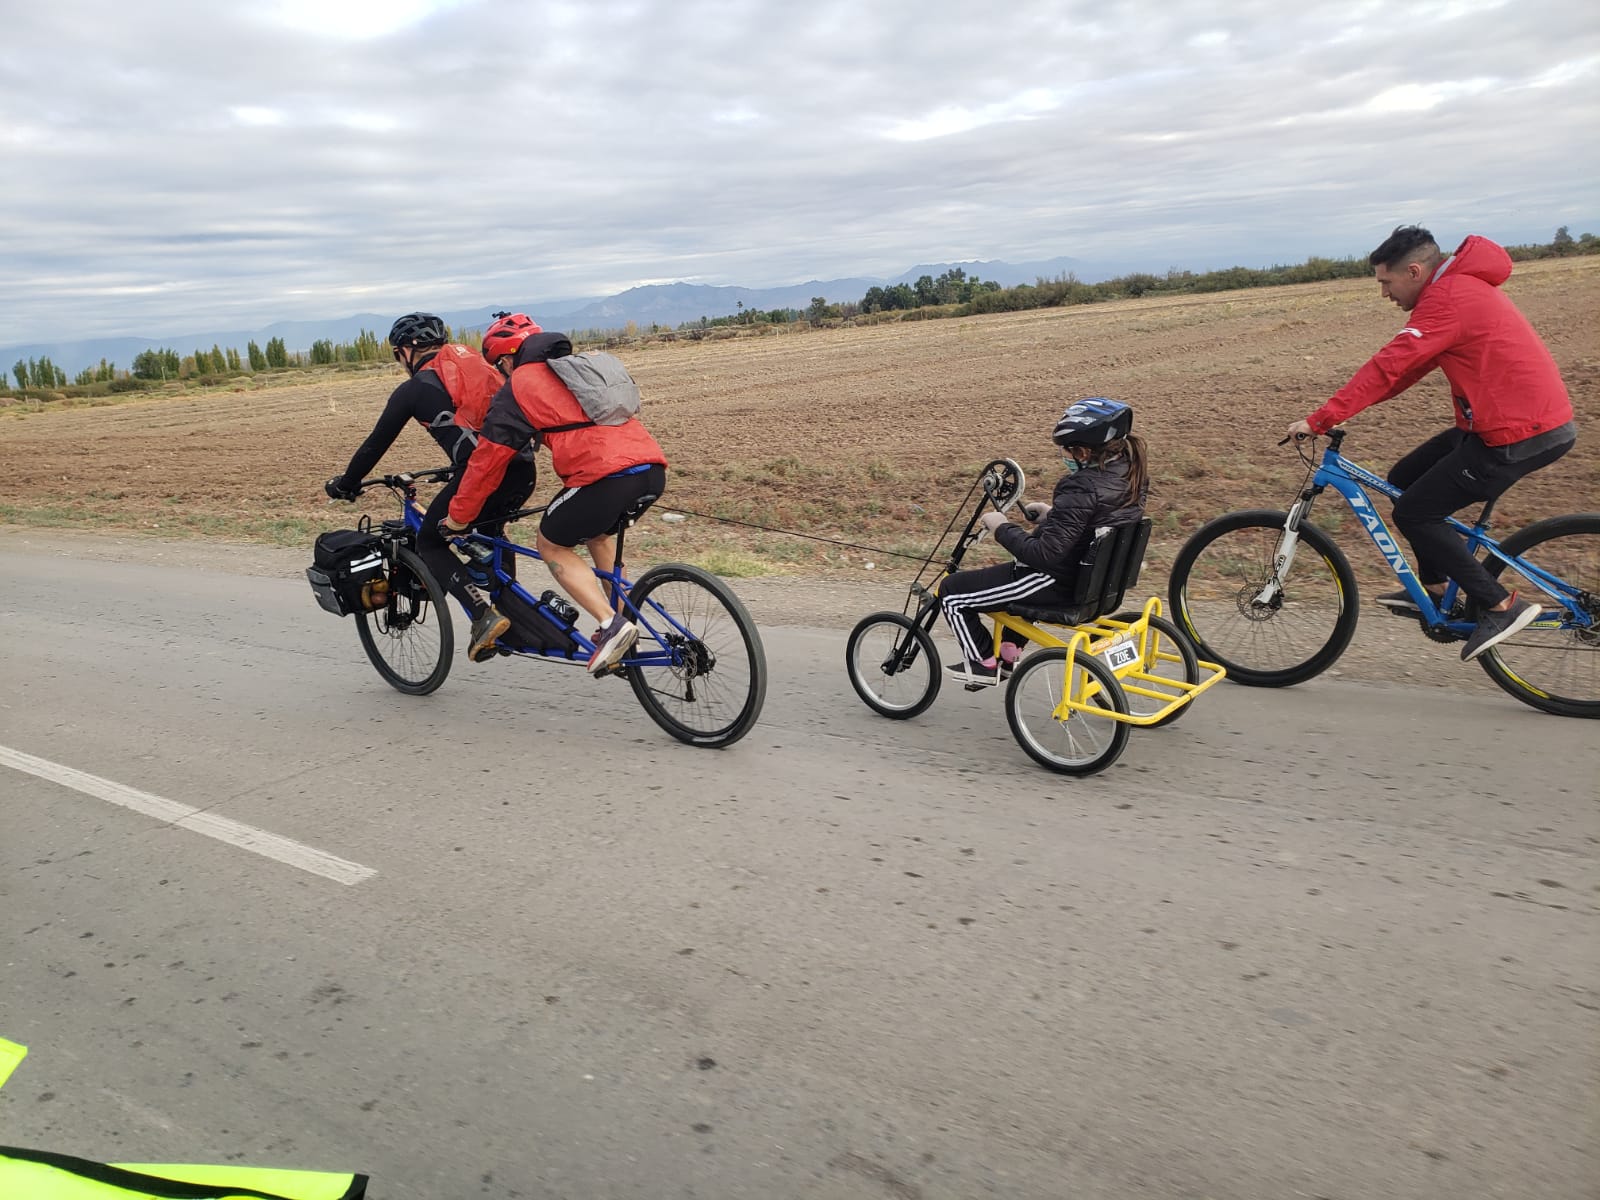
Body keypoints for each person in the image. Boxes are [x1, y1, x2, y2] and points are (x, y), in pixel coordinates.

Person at [1286, 226, 1577, 662]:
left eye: (1386, 282)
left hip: (1519, 434)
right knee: (1404, 478)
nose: (1385, 293)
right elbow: (1403, 373)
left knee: (1416, 511)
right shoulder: (1455, 291)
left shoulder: (1448, 300)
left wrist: (1320, 419)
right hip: (1509, 424)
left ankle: (1500, 605)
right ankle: (1438, 588)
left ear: (1416, 271)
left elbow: (1389, 366)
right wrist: (1337, 412)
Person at [440, 314, 668, 673]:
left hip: (603, 476)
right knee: (596, 532)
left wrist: (458, 518)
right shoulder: (579, 369)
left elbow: (486, 463)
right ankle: (623, 619)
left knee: (551, 543)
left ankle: (612, 625)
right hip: (651, 469)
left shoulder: (518, 385)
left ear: (506, 359)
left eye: (499, 366)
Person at [324, 312, 538, 662]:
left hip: (482, 474)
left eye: (398, 355)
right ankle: (507, 611)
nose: (400, 362)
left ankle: (484, 617)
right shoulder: (477, 367)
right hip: (523, 469)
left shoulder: (415, 388)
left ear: (407, 350)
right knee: (492, 532)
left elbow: (375, 445)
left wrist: (346, 485)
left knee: (430, 540)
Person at [940, 398, 1148, 684]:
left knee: (952, 592)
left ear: (1083, 452)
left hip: (1058, 583)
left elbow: (1044, 555)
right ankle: (1009, 652)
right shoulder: (1128, 473)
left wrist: (1002, 527)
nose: (1063, 456)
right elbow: (1095, 523)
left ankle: (984, 665)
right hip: (1098, 581)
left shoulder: (1080, 486)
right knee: (1001, 583)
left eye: (1065, 451)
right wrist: (1052, 517)